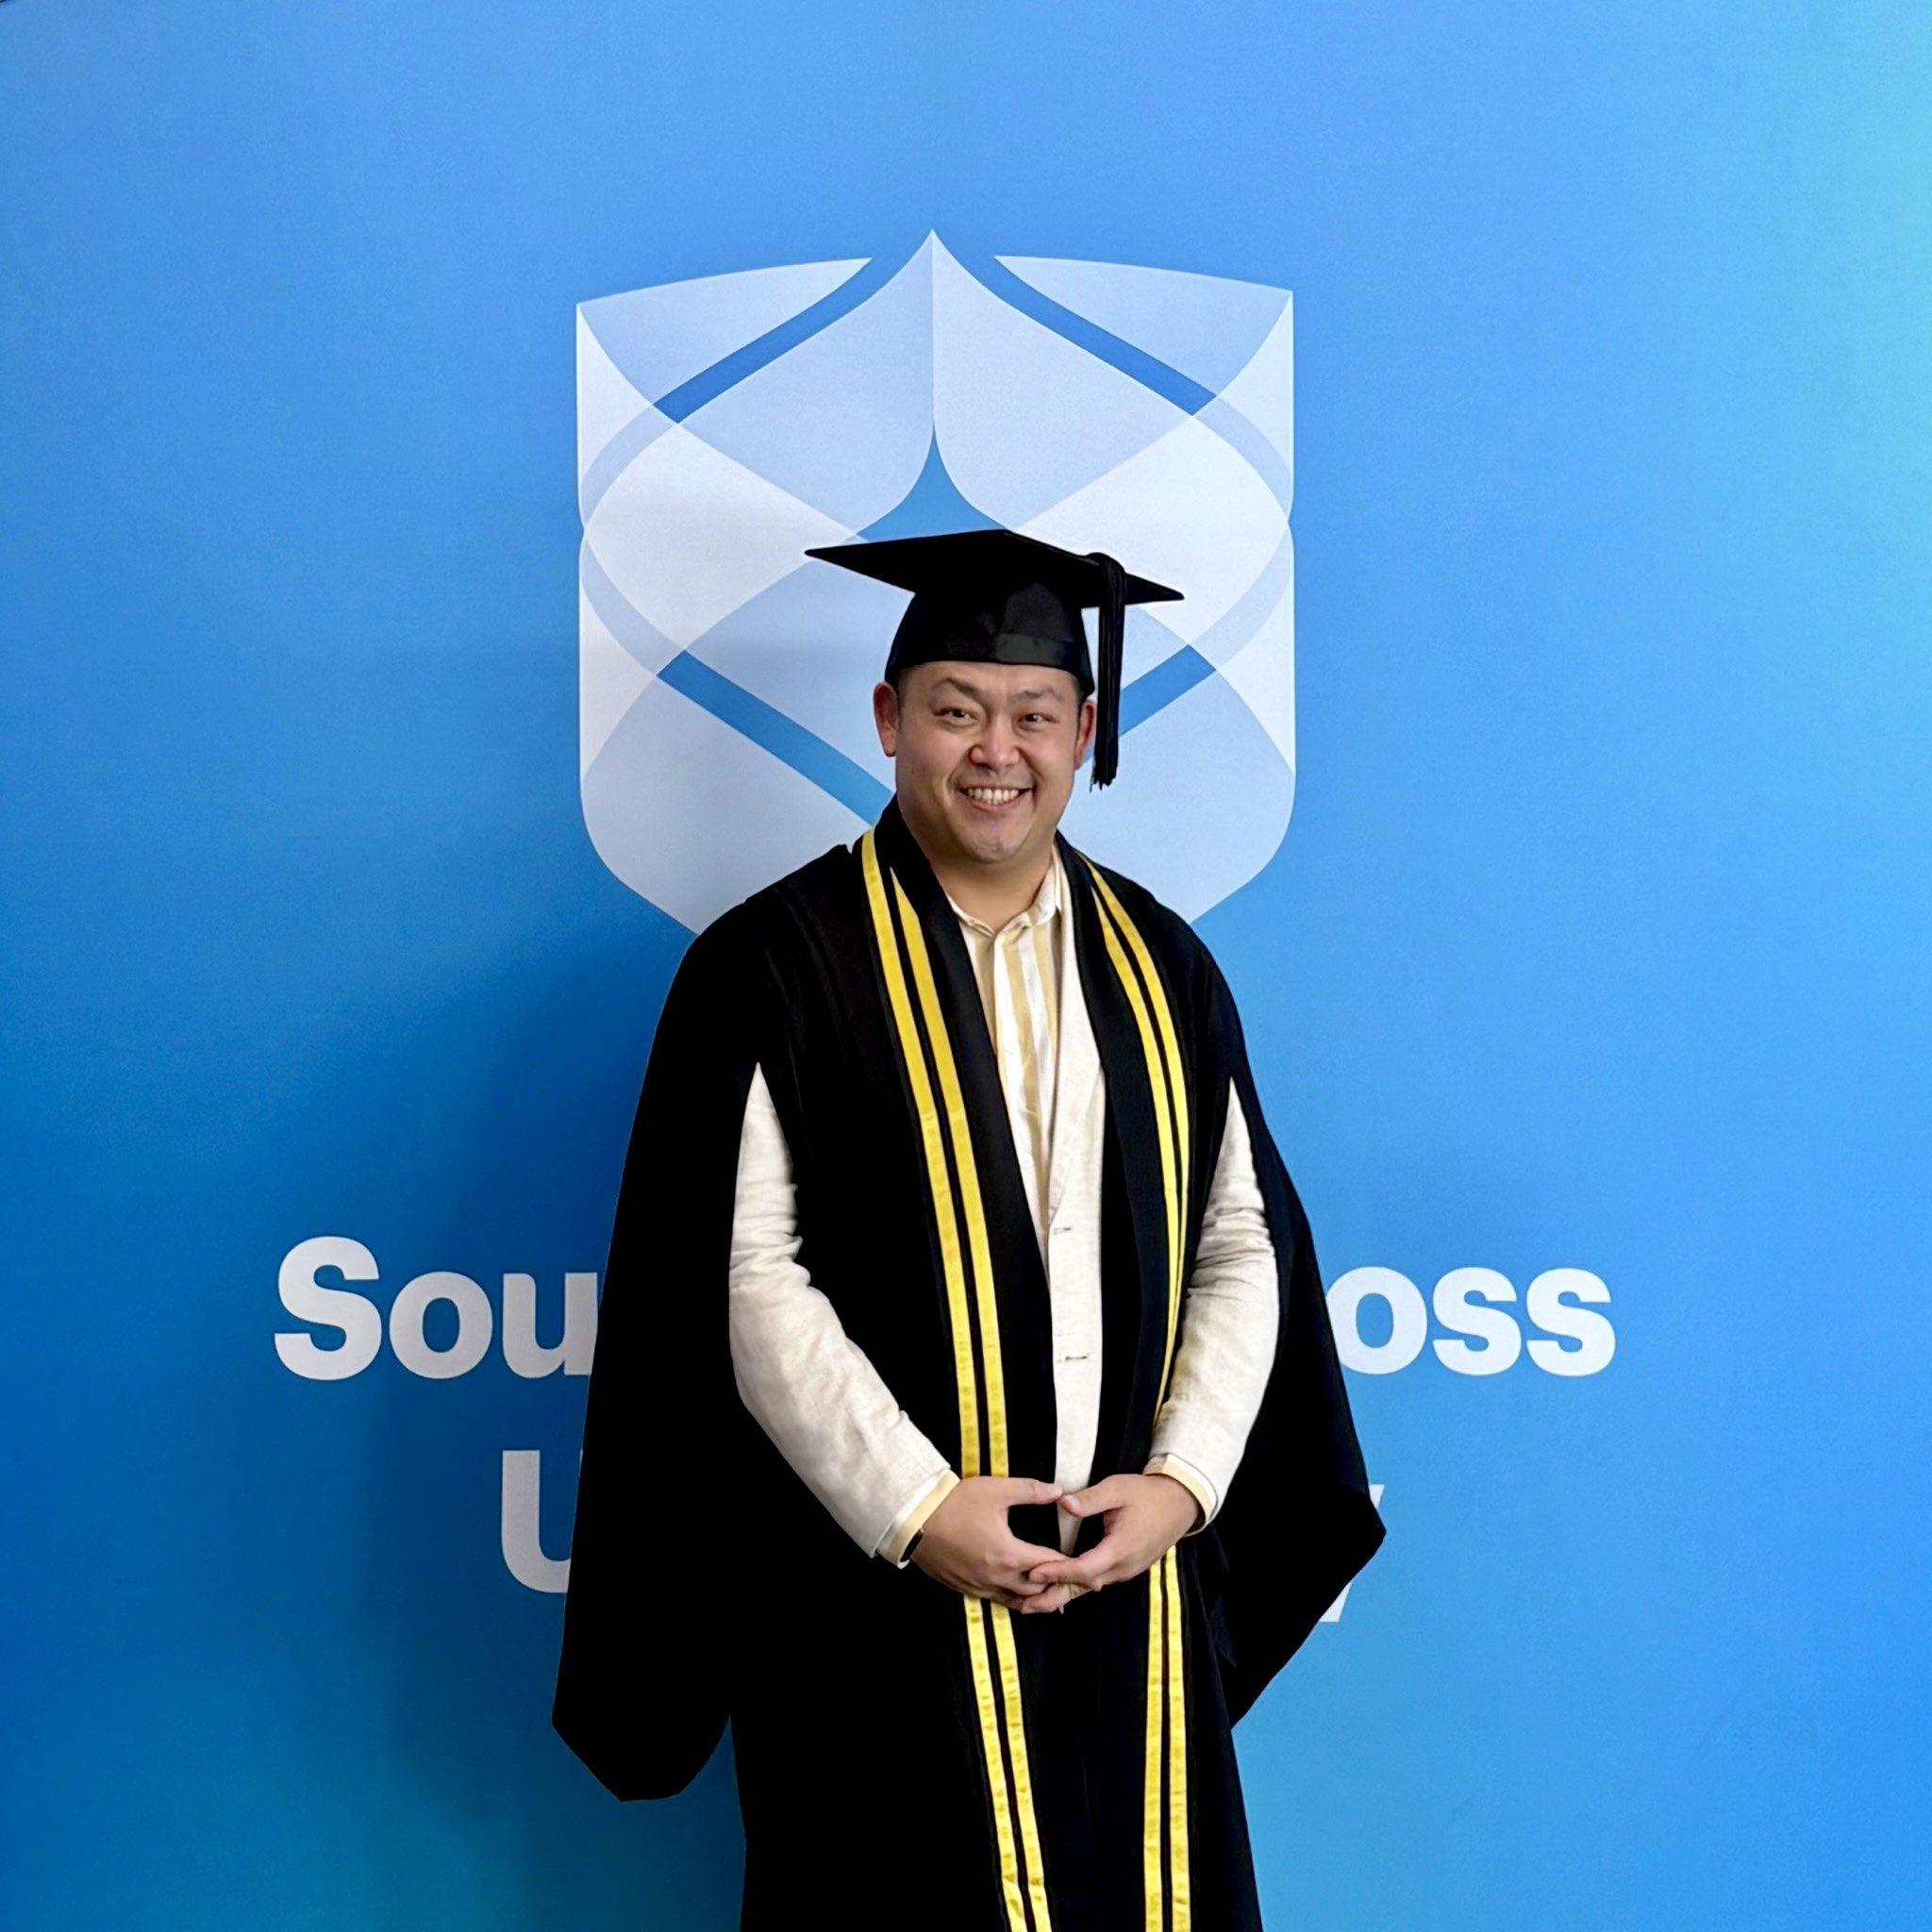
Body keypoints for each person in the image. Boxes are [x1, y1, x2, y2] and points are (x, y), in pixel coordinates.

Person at [552, 527, 1385, 1932]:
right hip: (877, 1596)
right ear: (889, 720)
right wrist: (917, 1510)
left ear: (1085, 734)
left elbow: (1242, 1242)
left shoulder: (1163, 965)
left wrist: (1180, 1488)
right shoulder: (777, 963)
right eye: (956, 710)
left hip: (1125, 1587)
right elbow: (747, 1277)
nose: (997, 751)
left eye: (1034, 715)